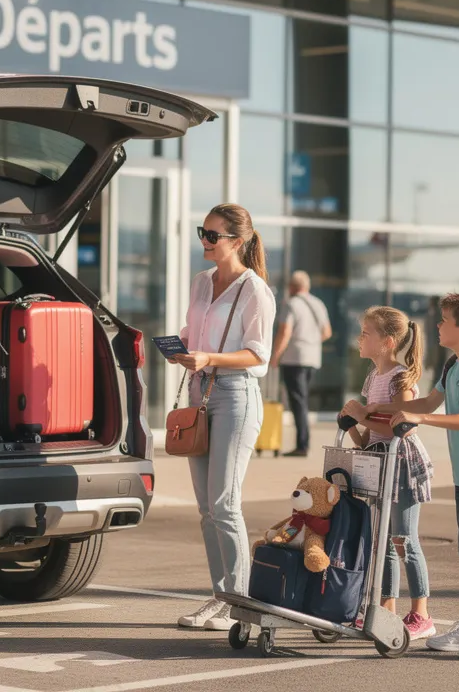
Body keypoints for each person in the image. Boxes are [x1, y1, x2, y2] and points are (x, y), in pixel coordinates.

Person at [373, 293, 459, 661]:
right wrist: (376, 408)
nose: (438, 325)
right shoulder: (454, 365)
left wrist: (418, 420)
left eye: (445, 320)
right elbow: (425, 404)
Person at [170, 203, 277, 631]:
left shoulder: (255, 291)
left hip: (236, 396)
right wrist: (179, 346)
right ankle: (221, 596)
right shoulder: (201, 282)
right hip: (200, 394)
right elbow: (193, 332)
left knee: (224, 504)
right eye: (203, 232)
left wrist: (208, 356)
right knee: (205, 508)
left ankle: (241, 601)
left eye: (212, 235)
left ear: (239, 241)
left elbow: (259, 357)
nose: (204, 241)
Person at [338, 306, 436, 642]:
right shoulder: (372, 377)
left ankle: (422, 614)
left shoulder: (400, 377)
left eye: (366, 333)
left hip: (403, 463)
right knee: (381, 540)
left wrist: (362, 415)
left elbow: (404, 426)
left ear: (387, 341)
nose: (360, 338)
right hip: (379, 460)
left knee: (403, 540)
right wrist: (352, 422)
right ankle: (386, 609)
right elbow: (368, 436)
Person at [270, 270, 332, 457]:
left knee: (298, 401)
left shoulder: (291, 304)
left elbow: (285, 332)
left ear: (291, 287)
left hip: (294, 358)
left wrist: (275, 356)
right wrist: (311, 343)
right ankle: (302, 443)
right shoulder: (318, 303)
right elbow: (327, 332)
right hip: (312, 359)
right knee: (302, 400)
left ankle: (302, 445)